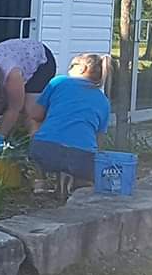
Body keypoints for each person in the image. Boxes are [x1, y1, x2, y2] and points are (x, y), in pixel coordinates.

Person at [28, 53, 112, 196]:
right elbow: (99, 137)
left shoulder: (58, 82)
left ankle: (40, 182)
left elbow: (35, 115)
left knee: (35, 126)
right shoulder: (104, 100)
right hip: (82, 156)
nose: (68, 70)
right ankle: (75, 182)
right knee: (82, 166)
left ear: (82, 69)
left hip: (47, 150)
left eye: (72, 66)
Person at [0, 37, 57, 150]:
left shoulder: (12, 77)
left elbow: (14, 109)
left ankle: (36, 147)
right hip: (12, 54)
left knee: (30, 110)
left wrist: (0, 137)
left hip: (41, 59)